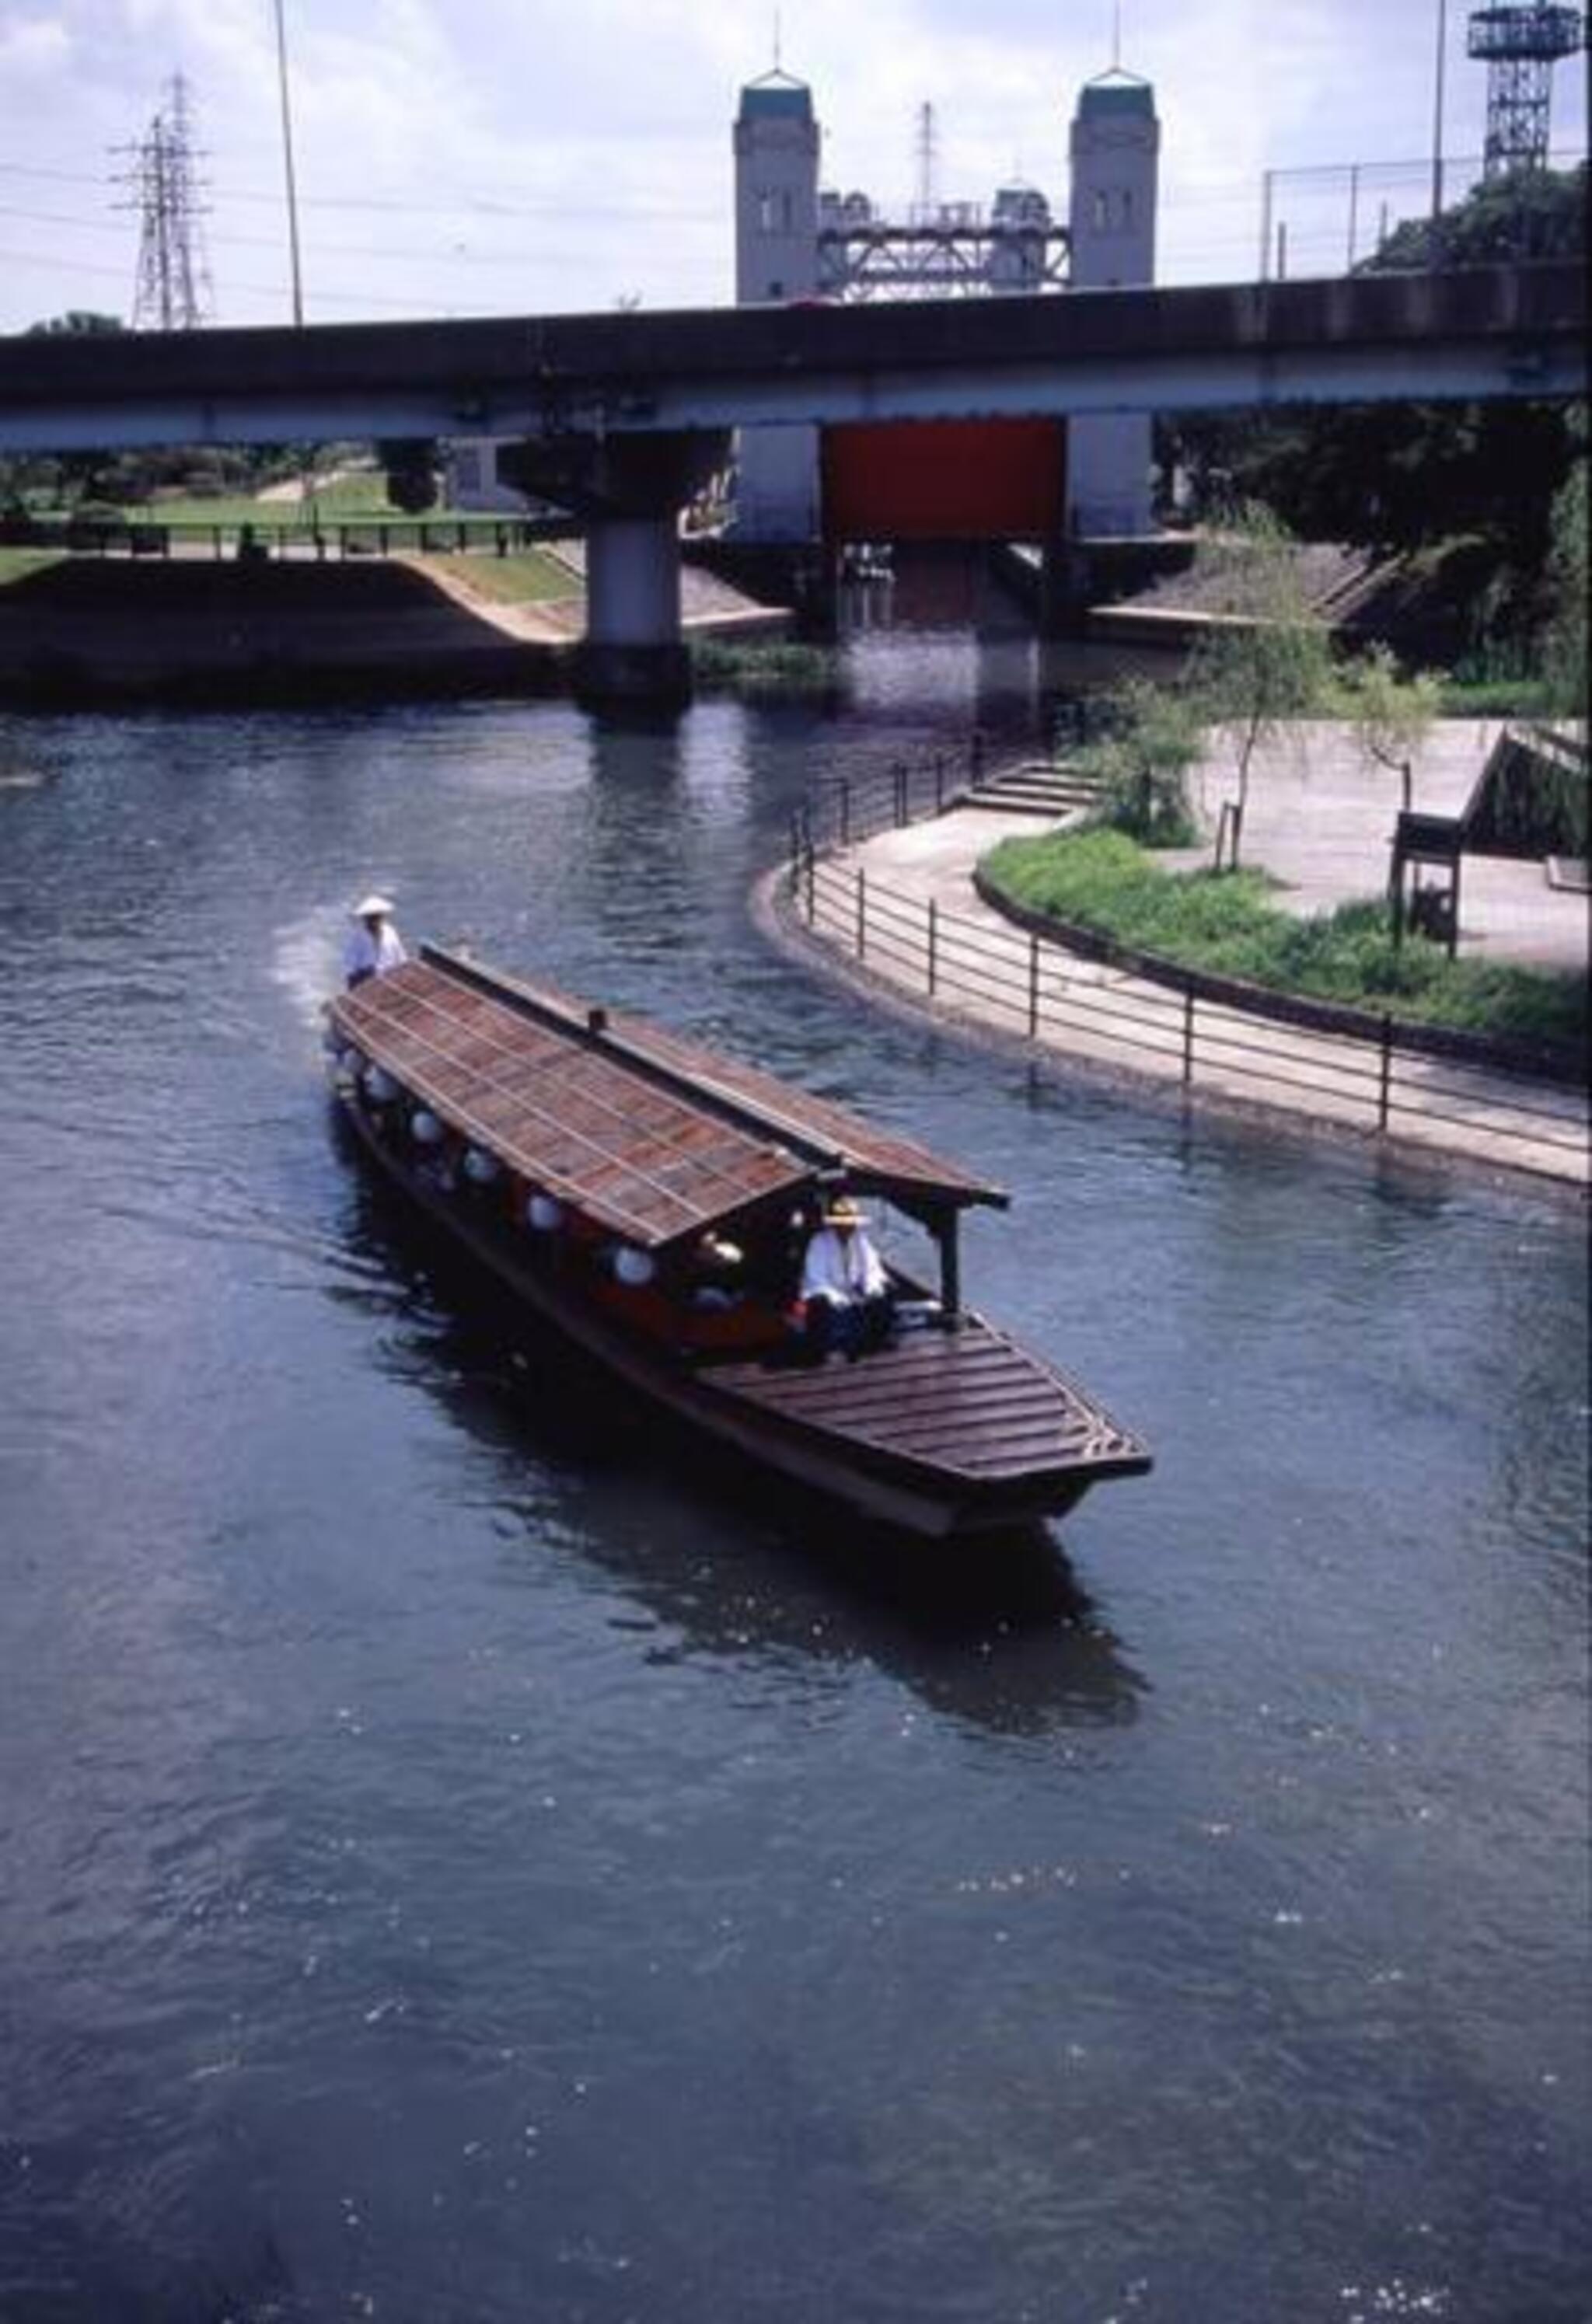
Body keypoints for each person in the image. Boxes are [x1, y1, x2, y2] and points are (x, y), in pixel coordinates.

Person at [799, 1194, 892, 1356]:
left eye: (851, 1224)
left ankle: (875, 1341)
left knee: (882, 1295)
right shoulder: (819, 1242)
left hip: (854, 1294)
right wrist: (838, 1298)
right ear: (836, 1225)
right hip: (825, 1296)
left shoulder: (859, 1238)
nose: (849, 1228)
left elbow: (872, 1268)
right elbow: (816, 1278)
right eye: (844, 1224)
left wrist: (872, 1288)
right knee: (823, 1303)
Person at [344, 894, 407, 989]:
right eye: (371, 917)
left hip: (390, 979)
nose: (374, 920)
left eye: (377, 916)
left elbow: (401, 957)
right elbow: (350, 965)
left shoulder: (390, 931)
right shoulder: (358, 937)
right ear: (365, 919)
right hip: (367, 981)